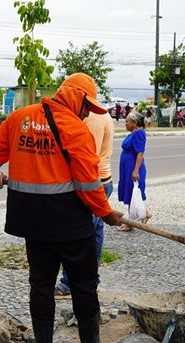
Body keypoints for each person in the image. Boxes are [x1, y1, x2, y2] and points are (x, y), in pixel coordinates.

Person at [0, 73, 124, 343]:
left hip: (33, 222)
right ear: (76, 97)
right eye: (87, 106)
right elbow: (88, 183)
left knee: (41, 284)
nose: (87, 114)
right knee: (83, 283)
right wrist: (106, 213)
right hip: (71, 222)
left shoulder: (20, 118)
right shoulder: (76, 130)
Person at [55, 109, 115, 297]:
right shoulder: (98, 115)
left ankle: (71, 283)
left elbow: (87, 159)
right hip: (98, 181)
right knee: (93, 232)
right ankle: (89, 280)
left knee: (82, 235)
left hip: (94, 183)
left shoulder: (93, 119)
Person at [117, 111, 152, 231]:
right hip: (128, 168)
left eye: (127, 121)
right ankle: (144, 214)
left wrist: (136, 170)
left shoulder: (139, 133)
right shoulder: (132, 134)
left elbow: (140, 153)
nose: (125, 124)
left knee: (132, 193)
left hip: (133, 167)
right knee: (130, 193)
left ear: (134, 122)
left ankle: (131, 223)